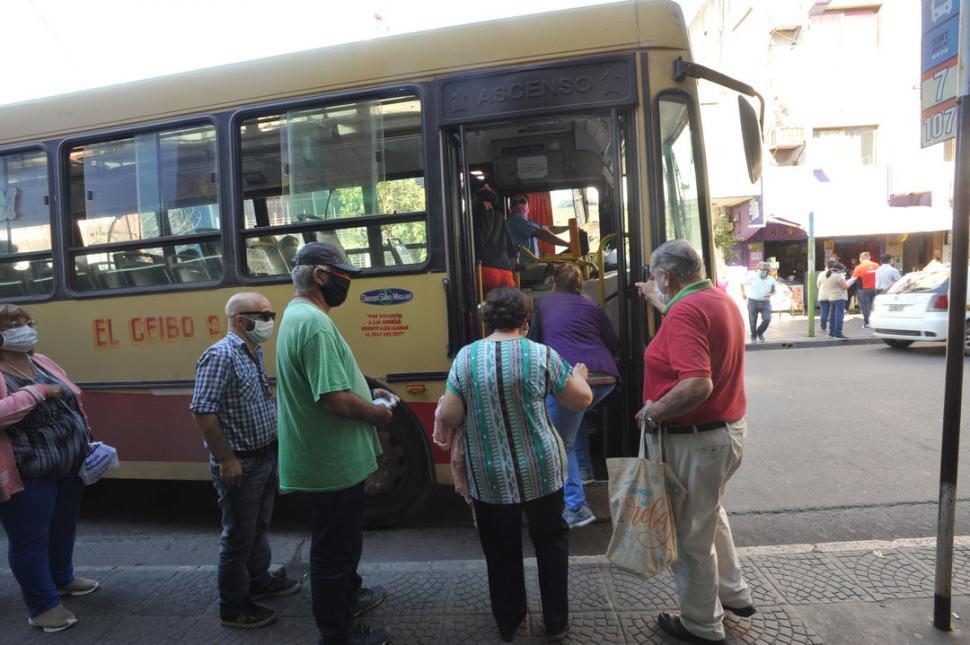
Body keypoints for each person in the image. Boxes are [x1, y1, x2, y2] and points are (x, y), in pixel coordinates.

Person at [436, 287, 593, 643]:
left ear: (486, 319)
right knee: (551, 543)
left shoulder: (465, 358)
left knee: (501, 550)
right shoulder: (541, 355)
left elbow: (451, 414)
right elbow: (580, 399)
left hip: (490, 473)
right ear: (526, 320)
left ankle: (510, 622)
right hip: (542, 468)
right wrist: (579, 373)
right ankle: (556, 622)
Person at [633, 240, 752, 645]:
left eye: (656, 278)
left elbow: (698, 382)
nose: (656, 284)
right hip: (726, 431)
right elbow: (689, 326)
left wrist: (654, 412)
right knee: (709, 514)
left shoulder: (685, 311)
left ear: (667, 276)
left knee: (691, 538)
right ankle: (733, 592)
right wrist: (658, 301)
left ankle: (701, 625)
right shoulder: (716, 299)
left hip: (697, 441)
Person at [275, 241, 394, 645]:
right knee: (333, 552)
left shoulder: (298, 315)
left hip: (332, 459)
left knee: (343, 543)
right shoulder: (315, 324)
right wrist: (378, 413)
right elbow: (335, 399)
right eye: (343, 276)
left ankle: (350, 597)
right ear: (321, 277)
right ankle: (338, 633)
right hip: (331, 463)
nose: (347, 284)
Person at [190, 292, 301, 630]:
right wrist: (227, 459)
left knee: (258, 528)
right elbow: (202, 410)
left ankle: (259, 580)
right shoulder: (220, 355)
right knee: (238, 536)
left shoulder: (253, 351)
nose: (270, 321)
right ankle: (234, 607)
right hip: (242, 464)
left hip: (264, 456)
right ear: (241, 319)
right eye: (264, 315)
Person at [0, 305, 97, 633]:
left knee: (63, 526)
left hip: (67, 464)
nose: (23, 327)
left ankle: (62, 578)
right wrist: (37, 392)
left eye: (26, 322)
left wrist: (90, 443)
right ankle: (42, 606)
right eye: (13, 323)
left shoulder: (40, 360)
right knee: (30, 539)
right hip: (28, 472)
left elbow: (74, 400)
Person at [532, 264, 618, 528]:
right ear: (581, 285)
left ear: (555, 284)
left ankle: (577, 507)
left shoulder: (544, 304)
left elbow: (534, 341)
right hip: (604, 377)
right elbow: (613, 343)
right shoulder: (593, 306)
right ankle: (584, 470)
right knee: (573, 420)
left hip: (569, 377)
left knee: (560, 440)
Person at [472, 183, 516, 294]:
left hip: (485, 271)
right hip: (506, 273)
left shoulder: (472, 214)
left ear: (474, 198)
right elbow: (511, 247)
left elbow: (477, 243)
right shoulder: (500, 217)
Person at [505, 193, 570, 263]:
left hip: (532, 265)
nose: (518, 205)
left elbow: (549, 229)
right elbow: (543, 234)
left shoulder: (528, 222)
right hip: (523, 268)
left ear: (528, 205)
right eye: (514, 203)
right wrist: (567, 244)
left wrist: (568, 227)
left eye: (522, 201)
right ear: (510, 208)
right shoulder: (515, 218)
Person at [740, 262, 775, 342]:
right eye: (761, 269)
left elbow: (774, 290)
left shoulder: (771, 279)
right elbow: (742, 284)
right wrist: (743, 293)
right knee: (752, 321)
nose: (762, 271)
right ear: (758, 269)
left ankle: (760, 332)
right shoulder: (752, 277)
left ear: (768, 271)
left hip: (765, 302)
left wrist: (770, 294)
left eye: (764, 270)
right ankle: (753, 336)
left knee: (767, 319)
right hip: (753, 302)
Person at [820, 262, 849, 340]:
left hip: (832, 297)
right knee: (839, 316)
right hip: (839, 297)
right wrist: (849, 283)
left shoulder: (828, 276)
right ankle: (838, 333)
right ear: (839, 270)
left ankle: (832, 332)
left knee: (833, 316)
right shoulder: (838, 276)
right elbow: (844, 287)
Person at [852, 252, 879, 328]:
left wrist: (845, 285)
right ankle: (875, 323)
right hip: (875, 288)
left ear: (860, 258)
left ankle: (868, 323)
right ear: (869, 257)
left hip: (863, 289)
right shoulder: (876, 265)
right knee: (874, 305)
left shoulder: (858, 267)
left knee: (865, 306)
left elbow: (853, 279)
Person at [816, 260, 834, 334]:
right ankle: (832, 329)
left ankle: (823, 328)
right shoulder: (836, 274)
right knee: (833, 313)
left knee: (824, 312)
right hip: (833, 296)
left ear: (826, 266)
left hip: (823, 296)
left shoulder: (821, 274)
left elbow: (818, 285)